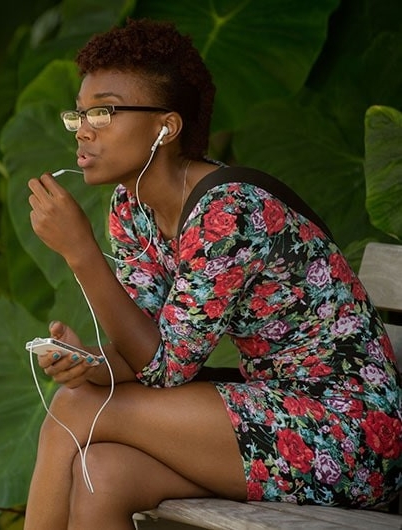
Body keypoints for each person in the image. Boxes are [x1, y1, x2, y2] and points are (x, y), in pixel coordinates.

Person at [25, 18, 402, 529]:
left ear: (166, 126)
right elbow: (145, 340)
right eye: (81, 113)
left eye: (104, 111)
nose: (84, 128)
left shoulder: (229, 212)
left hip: (349, 432)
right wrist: (93, 365)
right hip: (268, 414)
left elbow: (164, 367)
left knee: (74, 409)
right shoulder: (131, 207)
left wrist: (80, 253)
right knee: (102, 472)